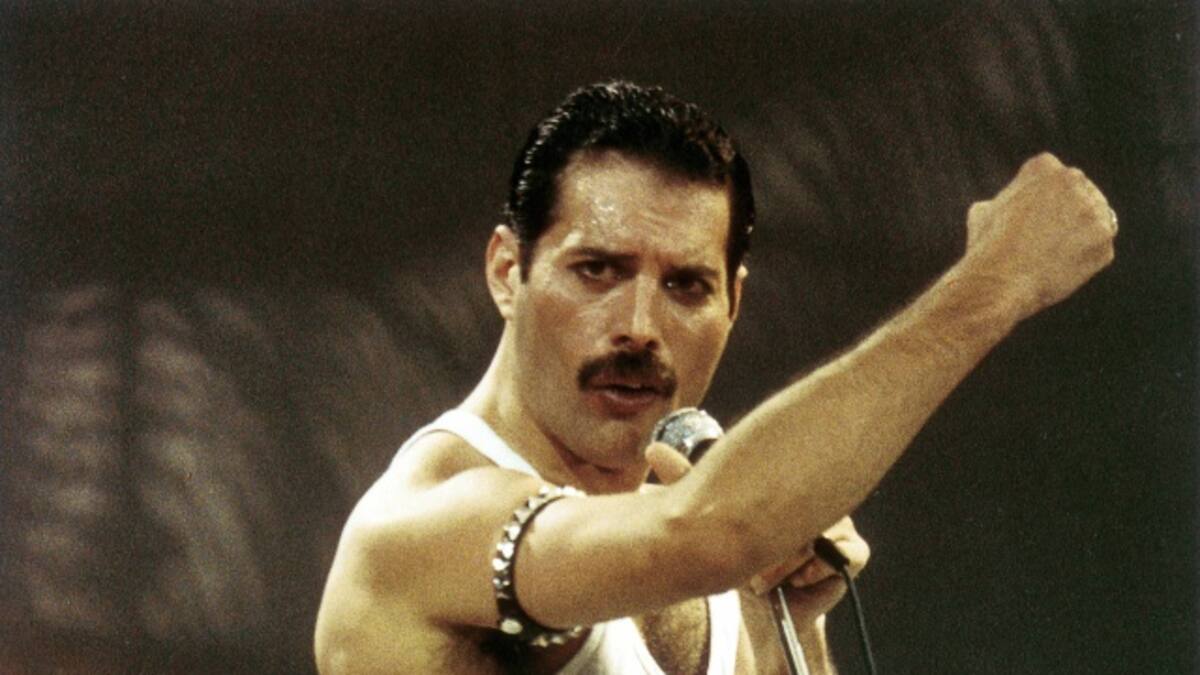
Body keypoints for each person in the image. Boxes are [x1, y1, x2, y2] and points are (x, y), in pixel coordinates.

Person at [313, 81, 1116, 674]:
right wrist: (998, 279)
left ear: (733, 302)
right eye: (597, 270)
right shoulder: (425, 520)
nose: (639, 325)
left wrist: (790, 627)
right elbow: (708, 532)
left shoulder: (697, 526)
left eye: (685, 285)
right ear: (505, 272)